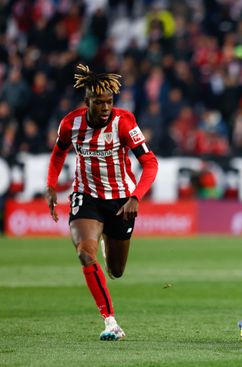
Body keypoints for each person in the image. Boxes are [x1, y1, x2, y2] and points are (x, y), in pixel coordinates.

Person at [45, 64, 158, 341]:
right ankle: (110, 322)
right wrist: (50, 185)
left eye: (109, 102)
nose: (106, 107)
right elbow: (58, 153)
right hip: (86, 197)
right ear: (87, 103)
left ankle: (107, 240)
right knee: (85, 253)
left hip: (121, 200)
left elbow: (149, 162)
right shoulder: (70, 124)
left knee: (116, 271)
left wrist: (135, 197)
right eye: (99, 102)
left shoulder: (125, 122)